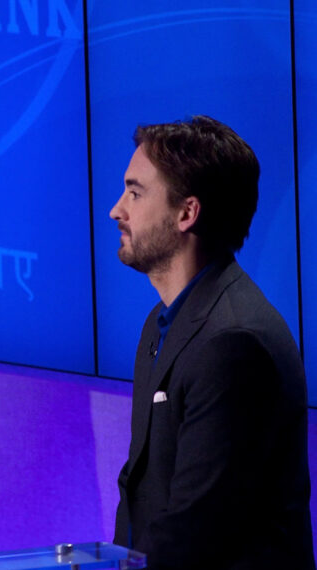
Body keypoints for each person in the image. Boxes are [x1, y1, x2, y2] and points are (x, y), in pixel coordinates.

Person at [109, 116, 313, 569]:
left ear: (187, 213)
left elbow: (195, 528)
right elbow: (142, 494)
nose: (117, 210)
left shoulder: (233, 343)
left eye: (135, 193)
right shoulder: (162, 323)